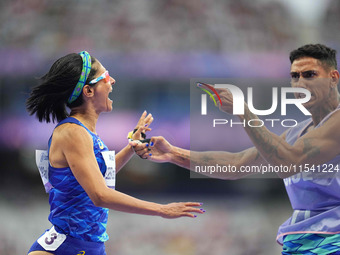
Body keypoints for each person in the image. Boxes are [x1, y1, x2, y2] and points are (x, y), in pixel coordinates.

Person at [135, 44, 340, 254]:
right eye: (295, 76)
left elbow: (288, 164)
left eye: (310, 75)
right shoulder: (297, 132)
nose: (301, 83)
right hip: (303, 240)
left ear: (333, 78)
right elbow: (236, 164)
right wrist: (173, 154)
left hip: (333, 238)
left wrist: (243, 111)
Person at [26, 51, 204, 255]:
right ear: (88, 91)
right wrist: (162, 210)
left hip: (89, 247)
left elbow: (99, 179)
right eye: (106, 77)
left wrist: (131, 147)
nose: (113, 81)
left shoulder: (86, 133)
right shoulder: (72, 133)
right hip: (64, 247)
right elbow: (100, 195)